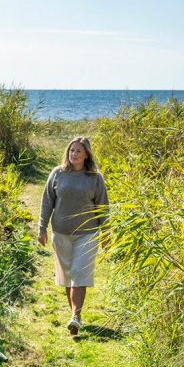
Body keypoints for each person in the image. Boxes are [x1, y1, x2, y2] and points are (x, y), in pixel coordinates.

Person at [37, 136, 109, 335]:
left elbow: (103, 208)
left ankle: (75, 316)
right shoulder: (57, 174)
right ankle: (75, 316)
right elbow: (46, 203)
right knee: (67, 276)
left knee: (79, 273)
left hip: (87, 234)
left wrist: (106, 233)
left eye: (78, 151)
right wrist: (42, 228)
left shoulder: (95, 178)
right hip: (61, 234)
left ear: (87, 155)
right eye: (71, 150)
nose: (74, 154)